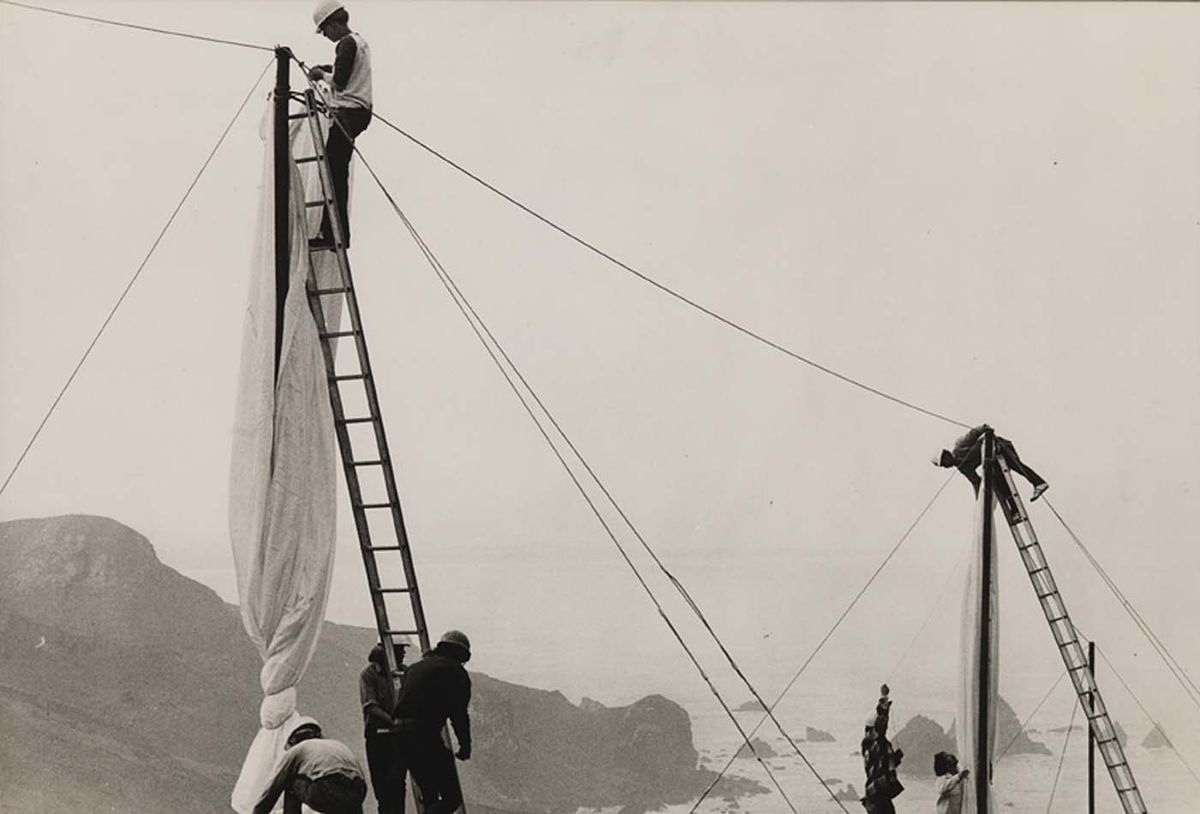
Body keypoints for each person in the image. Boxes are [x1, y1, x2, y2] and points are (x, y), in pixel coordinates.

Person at [308, 1, 372, 250]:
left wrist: (320, 75)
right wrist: (327, 69)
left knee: (333, 173)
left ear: (334, 23)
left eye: (325, 30)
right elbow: (345, 70)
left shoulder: (345, 44)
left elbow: (340, 82)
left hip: (348, 113)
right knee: (336, 171)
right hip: (358, 113)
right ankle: (336, 232)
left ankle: (335, 234)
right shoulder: (358, 42)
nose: (326, 36)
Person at [392, 630, 473, 814]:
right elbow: (459, 714)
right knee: (451, 797)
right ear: (459, 654)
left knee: (429, 793)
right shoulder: (455, 672)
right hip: (422, 734)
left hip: (398, 734)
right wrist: (465, 745)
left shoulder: (415, 667)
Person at [253, 717, 368, 814]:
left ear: (293, 741)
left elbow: (272, 790)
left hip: (328, 790)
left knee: (290, 782)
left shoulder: (299, 749)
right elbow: (358, 776)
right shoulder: (338, 745)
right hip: (358, 792)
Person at [932, 423, 1049, 502]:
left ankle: (1039, 483)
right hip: (993, 459)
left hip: (1000, 446)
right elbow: (976, 482)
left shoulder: (960, 446)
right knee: (998, 480)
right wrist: (979, 501)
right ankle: (1014, 510)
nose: (945, 466)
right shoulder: (963, 468)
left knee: (1015, 464)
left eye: (944, 462)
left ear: (947, 454)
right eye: (942, 465)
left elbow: (976, 431)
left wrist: (986, 430)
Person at [360, 641, 407, 814]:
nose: (403, 654)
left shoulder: (404, 672)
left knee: (397, 784)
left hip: (398, 735)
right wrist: (393, 720)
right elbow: (370, 706)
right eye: (399, 650)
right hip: (378, 736)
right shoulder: (369, 674)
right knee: (382, 788)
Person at [861, 684, 904, 814]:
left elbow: (880, 764)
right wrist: (884, 696)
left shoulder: (868, 744)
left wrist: (894, 760)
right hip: (879, 795)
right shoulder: (877, 742)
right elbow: (882, 718)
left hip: (875, 793)